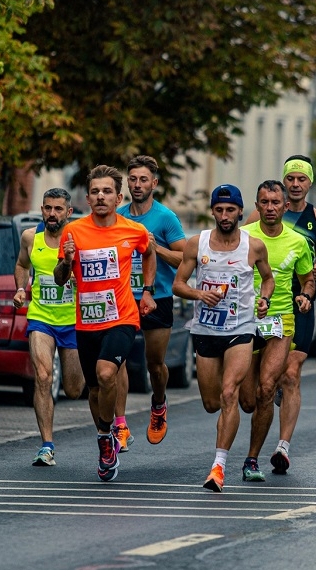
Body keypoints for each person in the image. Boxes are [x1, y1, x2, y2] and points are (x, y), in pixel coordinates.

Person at [54, 165, 156, 482]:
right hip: (87, 322)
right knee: (95, 390)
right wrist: (67, 261)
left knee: (106, 371)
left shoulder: (133, 230)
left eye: (107, 191)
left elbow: (149, 253)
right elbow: (59, 280)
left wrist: (148, 291)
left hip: (123, 317)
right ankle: (104, 437)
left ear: (118, 197)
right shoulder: (73, 232)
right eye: (95, 191)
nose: (101, 196)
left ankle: (108, 431)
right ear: (87, 198)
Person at [172, 184, 273, 492]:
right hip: (205, 330)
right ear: (213, 211)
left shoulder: (253, 246)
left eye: (231, 210)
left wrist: (264, 299)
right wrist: (198, 293)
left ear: (240, 211)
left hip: (240, 330)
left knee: (230, 394)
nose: (225, 215)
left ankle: (218, 466)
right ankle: (220, 455)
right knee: (211, 402)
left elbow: (267, 278)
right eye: (220, 209)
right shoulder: (196, 244)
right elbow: (178, 284)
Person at [244, 154, 316, 475]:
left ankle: (282, 446)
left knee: (291, 373)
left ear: (309, 183)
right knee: (252, 396)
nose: (295, 185)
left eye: (302, 180)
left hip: (299, 302)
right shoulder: (261, 214)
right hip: (260, 303)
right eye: (290, 179)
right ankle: (271, 385)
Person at [239, 181, 315, 483]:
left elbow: (307, 278)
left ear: (285, 206)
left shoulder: (297, 241)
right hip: (245, 320)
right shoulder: (244, 237)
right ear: (256, 207)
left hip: (280, 321)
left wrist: (305, 295)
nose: (270, 208)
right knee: (247, 400)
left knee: (266, 389)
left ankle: (252, 459)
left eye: (275, 202)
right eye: (264, 202)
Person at [113, 155, 187, 448]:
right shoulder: (118, 216)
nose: (138, 184)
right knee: (117, 360)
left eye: (144, 179)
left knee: (154, 364)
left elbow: (185, 258)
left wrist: (156, 249)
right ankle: (120, 424)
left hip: (158, 298)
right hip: (122, 299)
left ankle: (158, 404)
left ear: (154, 183)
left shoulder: (165, 218)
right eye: (133, 179)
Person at [13, 188, 86, 466]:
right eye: (47, 208)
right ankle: (46, 445)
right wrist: (21, 288)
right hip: (41, 318)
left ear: (69, 212)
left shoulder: (79, 240)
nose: (51, 214)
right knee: (42, 376)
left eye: (57, 209)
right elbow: (22, 265)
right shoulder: (30, 237)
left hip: (73, 321)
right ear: (41, 209)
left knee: (74, 389)